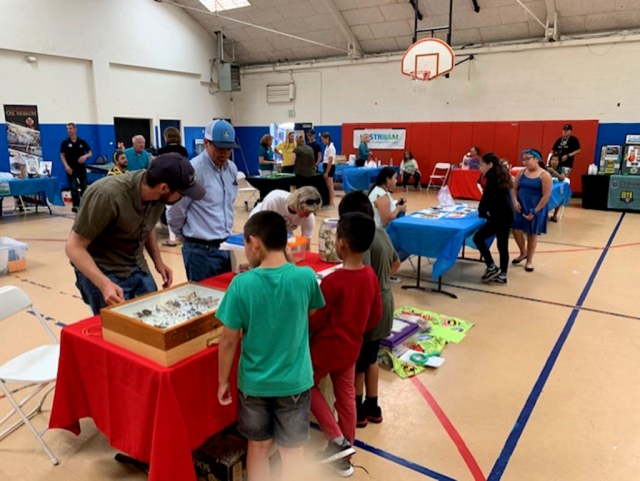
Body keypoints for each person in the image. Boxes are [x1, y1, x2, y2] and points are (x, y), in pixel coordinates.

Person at [217, 211, 325, 481]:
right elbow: (310, 312)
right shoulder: (306, 277)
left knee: (258, 446)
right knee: (292, 452)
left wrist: (222, 381)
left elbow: (229, 339)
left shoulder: (241, 284)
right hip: (295, 383)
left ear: (255, 243)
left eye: (245, 246)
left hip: (254, 385)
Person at [65, 153, 205, 314]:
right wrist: (104, 284)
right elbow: (73, 247)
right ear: (164, 188)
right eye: (182, 192)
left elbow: (148, 224)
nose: (183, 197)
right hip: (102, 270)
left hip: (135, 265)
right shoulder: (107, 196)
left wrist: (158, 261)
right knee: (118, 332)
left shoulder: (159, 197)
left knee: (152, 320)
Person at [309, 212, 382, 477]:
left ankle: (336, 439)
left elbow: (316, 321)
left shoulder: (333, 282)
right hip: (352, 346)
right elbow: (375, 314)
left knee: (305, 384)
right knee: (346, 398)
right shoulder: (370, 275)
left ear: (340, 243)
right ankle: (345, 455)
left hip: (326, 349)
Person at [337, 192, 400, 430]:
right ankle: (373, 407)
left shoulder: (361, 241)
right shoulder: (381, 232)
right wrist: (383, 281)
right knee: (372, 358)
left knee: (359, 366)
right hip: (386, 301)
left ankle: (358, 412)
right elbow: (396, 262)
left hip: (371, 308)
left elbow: (358, 277)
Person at [167, 119, 239, 281]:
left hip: (226, 247)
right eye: (219, 148)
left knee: (226, 301)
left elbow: (228, 203)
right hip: (200, 252)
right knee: (204, 302)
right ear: (206, 143)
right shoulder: (193, 171)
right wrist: (188, 238)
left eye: (228, 149)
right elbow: (175, 210)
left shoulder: (231, 169)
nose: (224, 154)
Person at [472, 153, 514, 285]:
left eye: (482, 165)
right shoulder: (500, 173)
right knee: (502, 245)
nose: (480, 168)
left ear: (490, 165)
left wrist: (482, 211)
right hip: (505, 214)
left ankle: (491, 267)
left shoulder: (492, 176)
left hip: (500, 216)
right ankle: (502, 274)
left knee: (478, 238)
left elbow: (487, 196)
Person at [512, 149, 553, 273]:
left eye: (527, 159)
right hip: (520, 204)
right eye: (523, 159)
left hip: (536, 206)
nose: (525, 162)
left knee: (531, 233)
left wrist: (535, 211)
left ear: (536, 159)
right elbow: (515, 188)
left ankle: (529, 260)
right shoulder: (521, 173)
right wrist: (515, 201)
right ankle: (523, 252)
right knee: (516, 229)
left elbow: (546, 196)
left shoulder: (544, 175)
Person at [250, 187, 321, 240]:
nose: (308, 215)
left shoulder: (309, 218)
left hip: (283, 228)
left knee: (292, 251)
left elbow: (306, 243)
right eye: (306, 212)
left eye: (311, 212)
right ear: (298, 204)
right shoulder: (274, 200)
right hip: (259, 223)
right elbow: (263, 228)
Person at [156, 127, 188, 247]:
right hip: (181, 183)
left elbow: (158, 168)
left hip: (167, 184)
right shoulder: (183, 150)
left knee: (170, 210)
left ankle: (172, 238)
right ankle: (182, 235)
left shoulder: (162, 151)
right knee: (183, 210)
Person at [60, 123, 92, 213]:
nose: (68, 130)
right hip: (71, 168)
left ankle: (85, 204)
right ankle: (76, 205)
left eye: (70, 128)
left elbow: (90, 152)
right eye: (67, 129)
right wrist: (66, 166)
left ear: (75, 129)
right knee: (73, 187)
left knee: (84, 187)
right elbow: (62, 155)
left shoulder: (82, 141)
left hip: (81, 168)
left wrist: (85, 157)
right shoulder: (65, 142)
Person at [547, 154, 566, 222]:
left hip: (557, 187)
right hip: (548, 186)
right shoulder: (546, 168)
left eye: (556, 160)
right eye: (552, 160)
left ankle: (554, 215)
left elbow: (562, 178)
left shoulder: (561, 168)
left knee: (560, 196)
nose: (554, 162)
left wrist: (553, 171)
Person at [321, 132, 336, 208]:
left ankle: (331, 203)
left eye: (323, 139)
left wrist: (326, 172)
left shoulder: (331, 148)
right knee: (328, 186)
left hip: (329, 167)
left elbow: (330, 161)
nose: (322, 141)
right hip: (326, 166)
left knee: (330, 186)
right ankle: (330, 202)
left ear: (328, 138)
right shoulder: (327, 147)